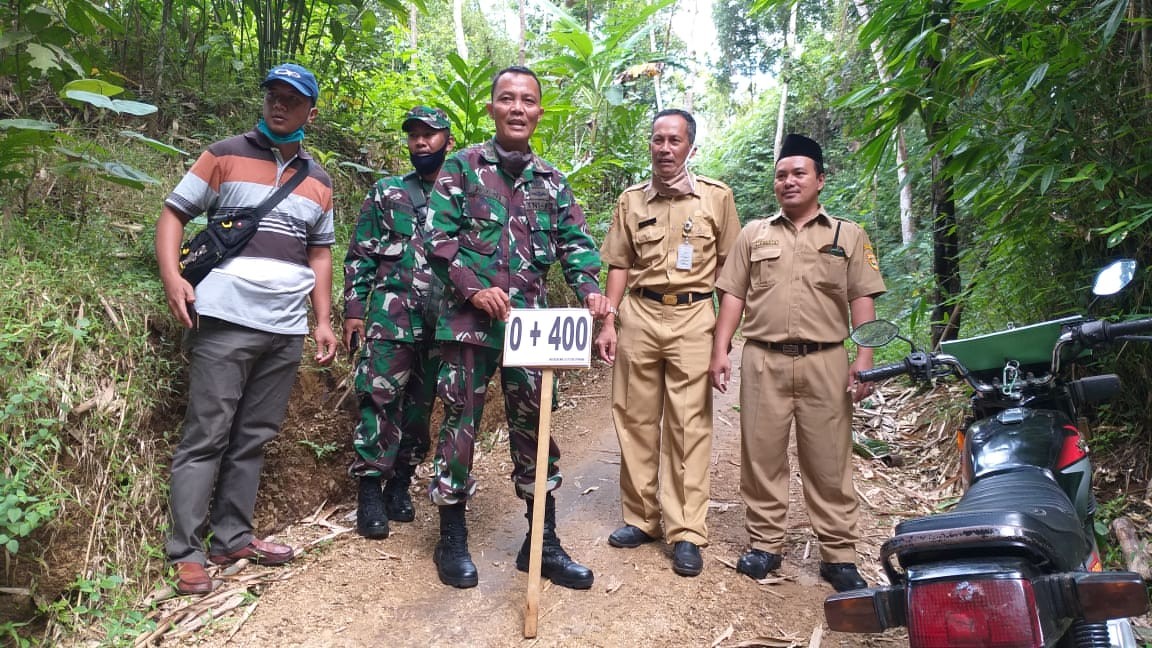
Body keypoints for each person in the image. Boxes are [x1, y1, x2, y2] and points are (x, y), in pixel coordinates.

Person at [424, 66, 611, 590]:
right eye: (506, 99)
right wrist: (471, 286)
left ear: (538, 112)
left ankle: (543, 543)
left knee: (538, 426)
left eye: (528, 100)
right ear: (491, 109)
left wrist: (590, 289)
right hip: (469, 325)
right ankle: (452, 537)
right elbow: (437, 239)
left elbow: (576, 245)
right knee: (460, 426)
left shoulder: (552, 181)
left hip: (533, 327)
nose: (517, 108)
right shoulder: (461, 168)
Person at [155, 63, 337, 595]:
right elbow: (174, 214)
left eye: (291, 99)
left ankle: (232, 536)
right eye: (272, 96)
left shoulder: (319, 179)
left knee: (254, 435)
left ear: (311, 111)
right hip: (225, 317)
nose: (278, 105)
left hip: (285, 326)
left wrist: (321, 321)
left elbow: (320, 252)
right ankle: (186, 551)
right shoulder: (224, 154)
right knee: (206, 433)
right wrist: (173, 279)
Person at [708, 133, 885, 592]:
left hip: (825, 360)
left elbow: (862, 298)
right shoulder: (754, 234)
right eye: (781, 175)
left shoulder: (848, 235)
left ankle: (838, 555)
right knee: (761, 456)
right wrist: (719, 349)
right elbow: (732, 295)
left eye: (799, 173)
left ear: (820, 179)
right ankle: (765, 545)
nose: (788, 181)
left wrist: (863, 357)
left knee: (828, 459)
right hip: (763, 358)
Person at [593, 109, 741, 577]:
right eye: (657, 139)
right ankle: (642, 518)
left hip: (694, 315)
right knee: (634, 416)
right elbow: (618, 264)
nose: (664, 148)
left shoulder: (717, 198)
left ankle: (686, 531)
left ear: (690, 147)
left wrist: (722, 342)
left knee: (687, 424)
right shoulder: (631, 200)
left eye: (674, 140)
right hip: (639, 312)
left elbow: (731, 274)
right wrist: (609, 321)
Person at [343, 106, 455, 539]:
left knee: (420, 408)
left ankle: (401, 484)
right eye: (414, 136)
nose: (421, 142)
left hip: (443, 323)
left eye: (430, 135)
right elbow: (361, 255)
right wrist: (354, 310)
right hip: (390, 319)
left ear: (447, 139)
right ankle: (369, 492)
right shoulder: (388, 193)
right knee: (378, 400)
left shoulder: (460, 193)